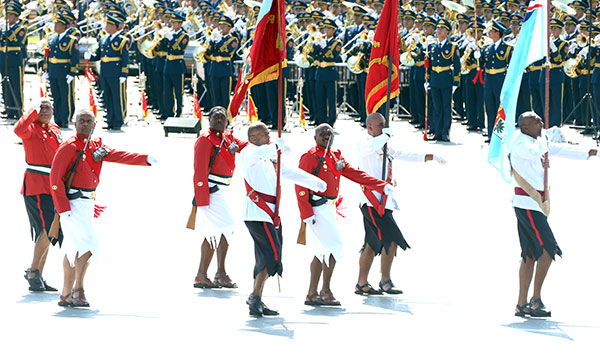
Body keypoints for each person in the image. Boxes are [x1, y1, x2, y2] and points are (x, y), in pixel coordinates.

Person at [49, 110, 157, 307]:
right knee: (89, 245)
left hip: (87, 204)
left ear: (94, 124)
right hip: (72, 205)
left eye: (89, 121)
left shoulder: (95, 145)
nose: (85, 124)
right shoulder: (68, 147)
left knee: (73, 248)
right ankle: (78, 290)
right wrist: (63, 208)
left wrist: (145, 158)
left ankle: (65, 294)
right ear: (75, 124)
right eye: (81, 121)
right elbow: (55, 180)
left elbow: (117, 155)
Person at [511, 112, 598, 317]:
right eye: (536, 122)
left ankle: (521, 303)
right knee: (548, 251)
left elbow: (563, 150)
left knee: (529, 254)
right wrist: (545, 139)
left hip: (534, 204)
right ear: (525, 127)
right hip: (528, 203)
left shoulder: (537, 142)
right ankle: (535, 300)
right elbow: (535, 152)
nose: (542, 123)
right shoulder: (522, 144)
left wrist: (592, 152)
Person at [296, 124, 391, 306]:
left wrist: (380, 185)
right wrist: (306, 213)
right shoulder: (310, 156)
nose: (326, 136)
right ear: (315, 137)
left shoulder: (335, 155)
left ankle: (311, 293)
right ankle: (325, 291)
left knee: (320, 252)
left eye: (329, 134)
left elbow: (355, 174)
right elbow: (300, 185)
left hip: (329, 209)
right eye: (322, 134)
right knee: (334, 247)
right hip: (316, 208)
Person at [240, 122, 326, 317]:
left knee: (266, 257)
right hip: (257, 213)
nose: (268, 137)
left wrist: (313, 181)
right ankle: (254, 296)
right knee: (272, 256)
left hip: (271, 214)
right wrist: (275, 147)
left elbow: (287, 172)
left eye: (268, 133)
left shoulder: (269, 156)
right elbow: (257, 154)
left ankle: (257, 299)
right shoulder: (249, 153)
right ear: (253, 139)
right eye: (264, 135)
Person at [355, 113, 446, 295]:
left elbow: (404, 154)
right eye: (379, 125)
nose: (383, 127)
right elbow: (370, 148)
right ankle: (385, 281)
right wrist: (384, 137)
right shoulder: (365, 144)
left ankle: (361, 283)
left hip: (384, 202)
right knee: (392, 239)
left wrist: (430, 156)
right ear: (370, 127)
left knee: (371, 243)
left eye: (384, 124)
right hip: (372, 202)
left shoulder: (384, 144)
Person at [192, 106, 247, 289]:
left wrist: (268, 146)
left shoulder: (228, 137)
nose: (219, 121)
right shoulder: (205, 140)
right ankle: (220, 273)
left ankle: (202, 275)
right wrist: (202, 199)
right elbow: (199, 172)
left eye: (223, 118)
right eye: (216, 117)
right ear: (209, 119)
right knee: (226, 227)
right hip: (211, 191)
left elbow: (245, 147)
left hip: (223, 190)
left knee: (213, 232)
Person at [14, 99, 63, 292]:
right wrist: (31, 112)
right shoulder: (30, 127)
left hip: (53, 186)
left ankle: (38, 276)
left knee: (51, 232)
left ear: (53, 110)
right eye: (40, 108)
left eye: (47, 108)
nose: (43, 111)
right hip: (36, 185)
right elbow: (18, 130)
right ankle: (33, 271)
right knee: (47, 228)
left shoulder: (55, 129)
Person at [85, 13, 129, 130]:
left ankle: (118, 121)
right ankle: (110, 120)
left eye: (109, 25)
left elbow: (125, 59)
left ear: (115, 26)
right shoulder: (103, 39)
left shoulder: (122, 41)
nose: (106, 27)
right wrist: (90, 56)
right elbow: (99, 55)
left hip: (116, 73)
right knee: (108, 98)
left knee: (117, 97)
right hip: (105, 72)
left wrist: (124, 74)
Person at [426, 18, 460, 142]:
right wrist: (427, 80)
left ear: (447, 32)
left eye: (442, 29)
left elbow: (457, 65)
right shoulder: (432, 47)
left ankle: (445, 132)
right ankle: (437, 131)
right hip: (435, 79)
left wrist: (456, 82)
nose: (439, 31)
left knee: (446, 107)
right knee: (436, 106)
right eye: (438, 28)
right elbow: (428, 65)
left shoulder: (452, 47)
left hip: (446, 79)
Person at [45, 13, 79, 128]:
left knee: (66, 96)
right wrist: (47, 70)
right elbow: (48, 56)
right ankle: (57, 118)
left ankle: (65, 118)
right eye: (55, 24)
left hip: (64, 71)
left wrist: (72, 72)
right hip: (54, 70)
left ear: (65, 26)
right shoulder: (51, 39)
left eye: (58, 24)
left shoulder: (71, 40)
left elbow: (75, 58)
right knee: (56, 96)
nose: (56, 26)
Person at [0, 1, 26, 120]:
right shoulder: (4, 27)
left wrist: (7, 31)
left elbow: (16, 40)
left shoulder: (20, 28)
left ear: (16, 17)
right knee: (5, 84)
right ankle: (9, 108)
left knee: (16, 85)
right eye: (7, 14)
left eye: (11, 15)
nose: (8, 17)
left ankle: (18, 108)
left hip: (14, 60)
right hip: (3, 59)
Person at [163, 10, 189, 118]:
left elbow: (179, 49)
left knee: (178, 92)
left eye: (175, 22)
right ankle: (168, 113)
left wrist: (171, 39)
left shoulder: (184, 36)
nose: (172, 24)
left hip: (178, 65)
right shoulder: (171, 34)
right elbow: (163, 48)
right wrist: (163, 38)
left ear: (180, 23)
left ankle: (179, 113)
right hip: (168, 64)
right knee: (167, 92)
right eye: (172, 22)